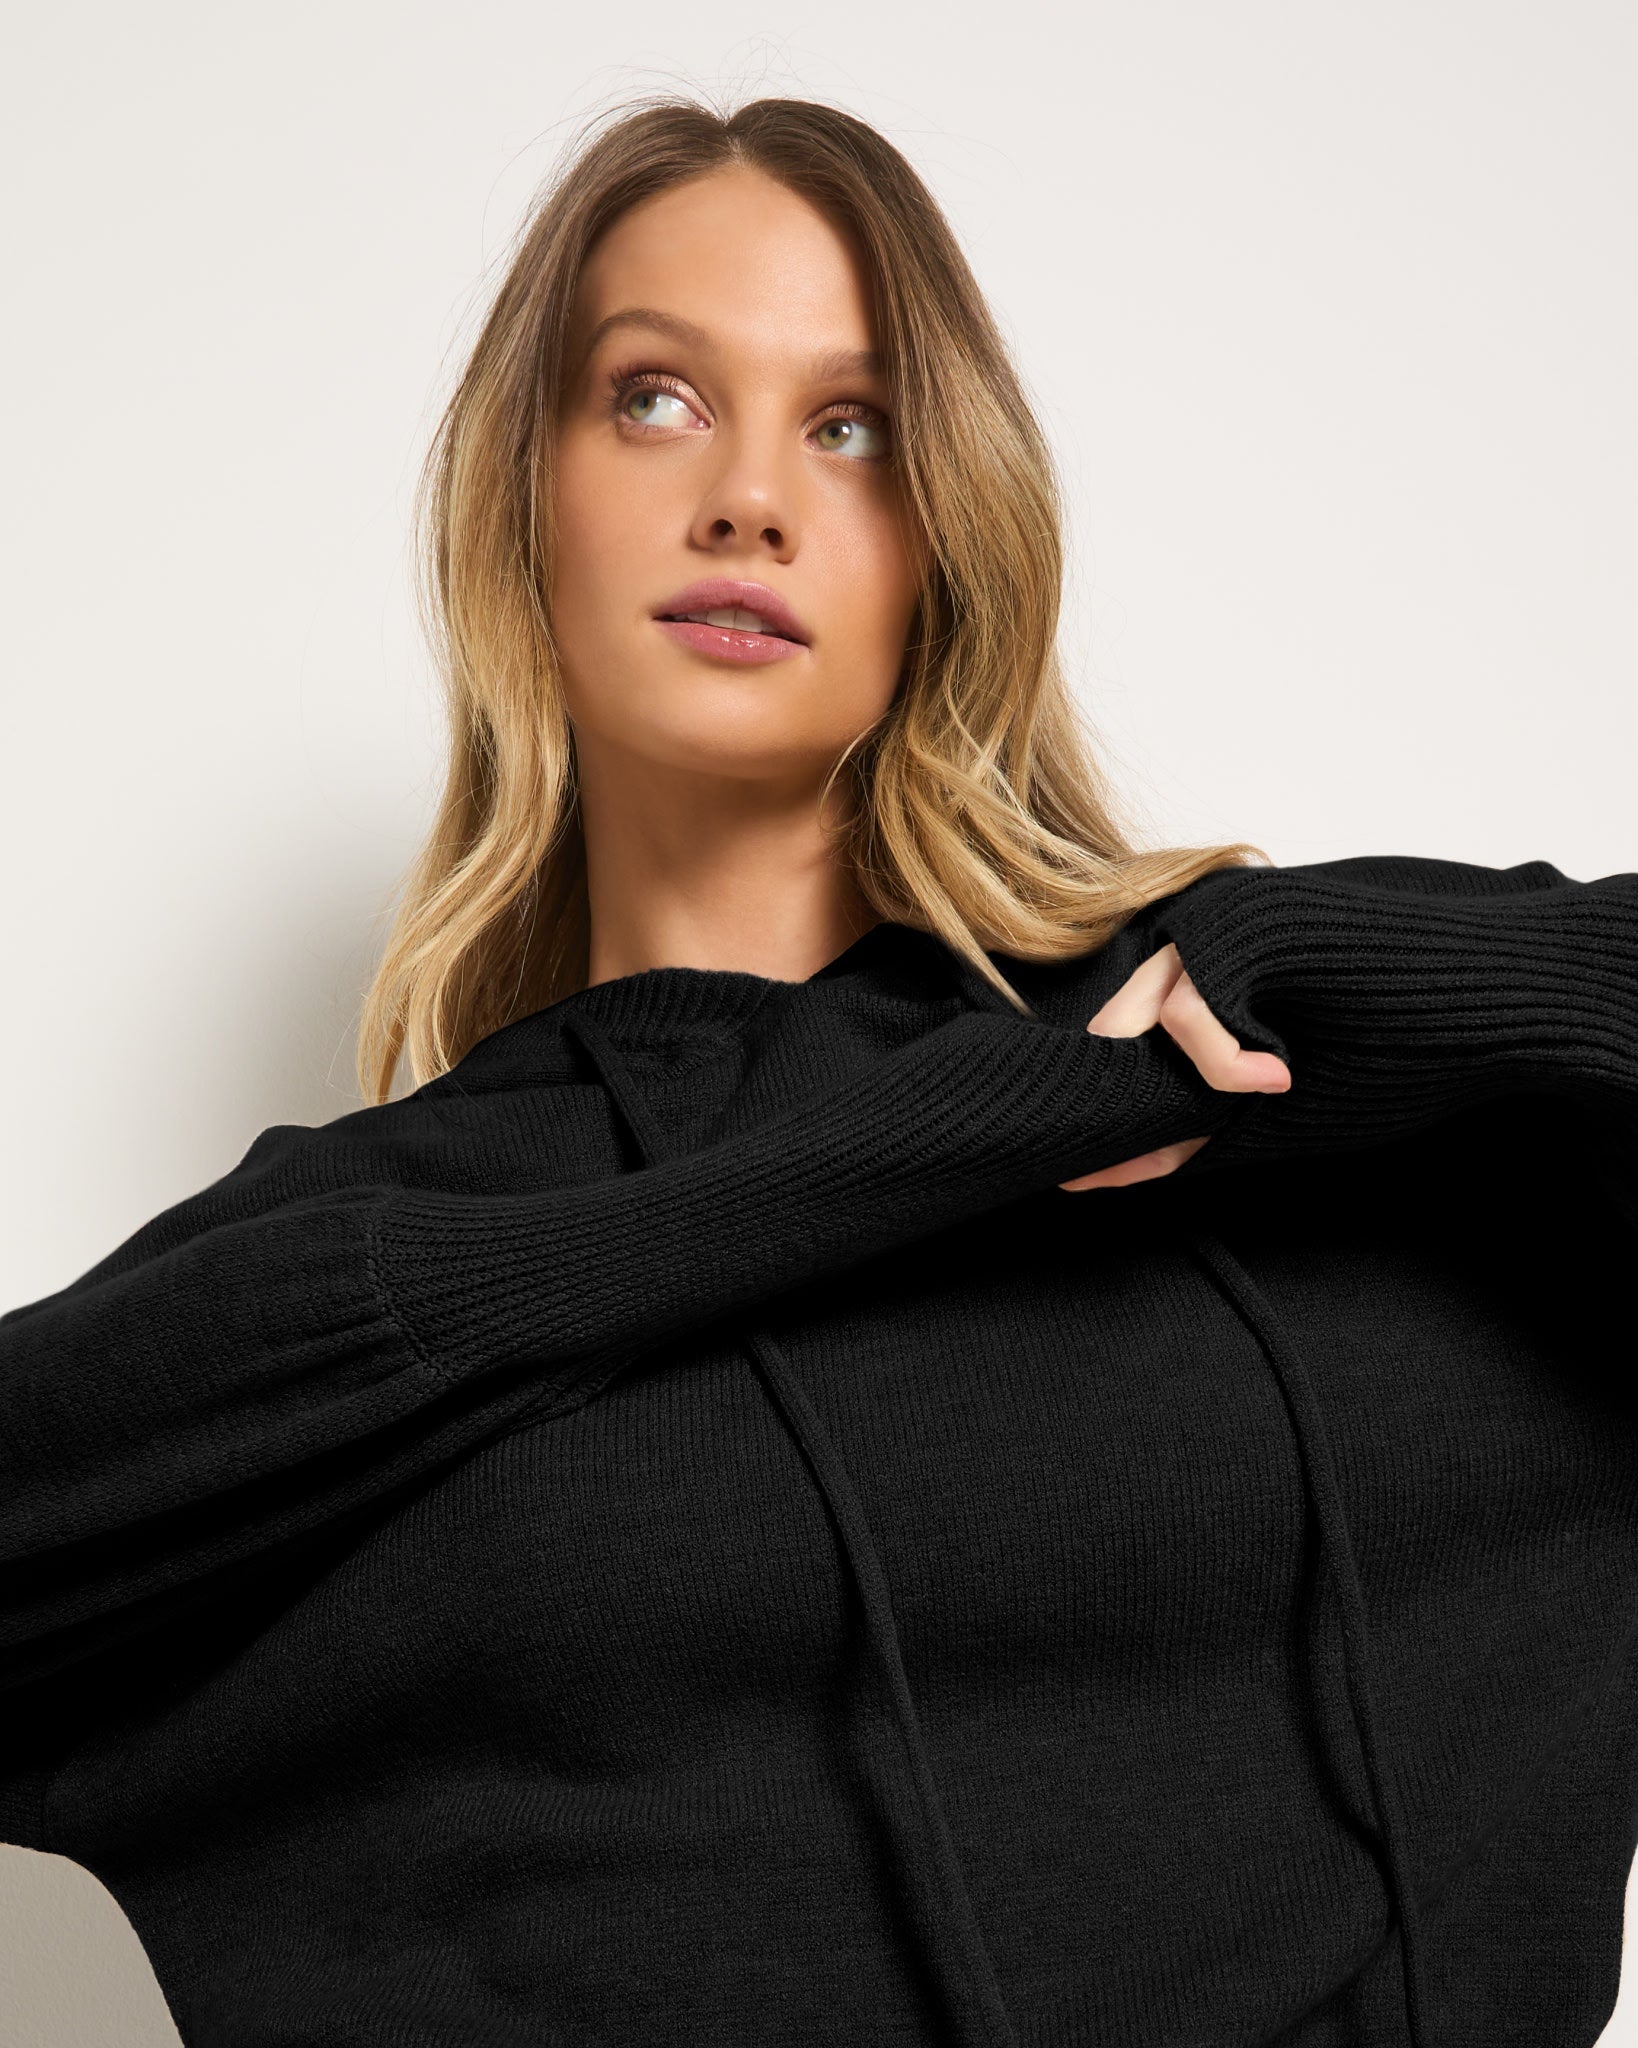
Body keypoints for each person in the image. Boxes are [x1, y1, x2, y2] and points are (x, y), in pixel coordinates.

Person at [2, 94, 1634, 2048]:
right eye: (655, 399)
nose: (751, 499)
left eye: (851, 426)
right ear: (521, 501)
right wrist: (902, 1159)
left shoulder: (1235, 1059)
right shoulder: (367, 1252)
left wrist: (1325, 984)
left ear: (948, 529)